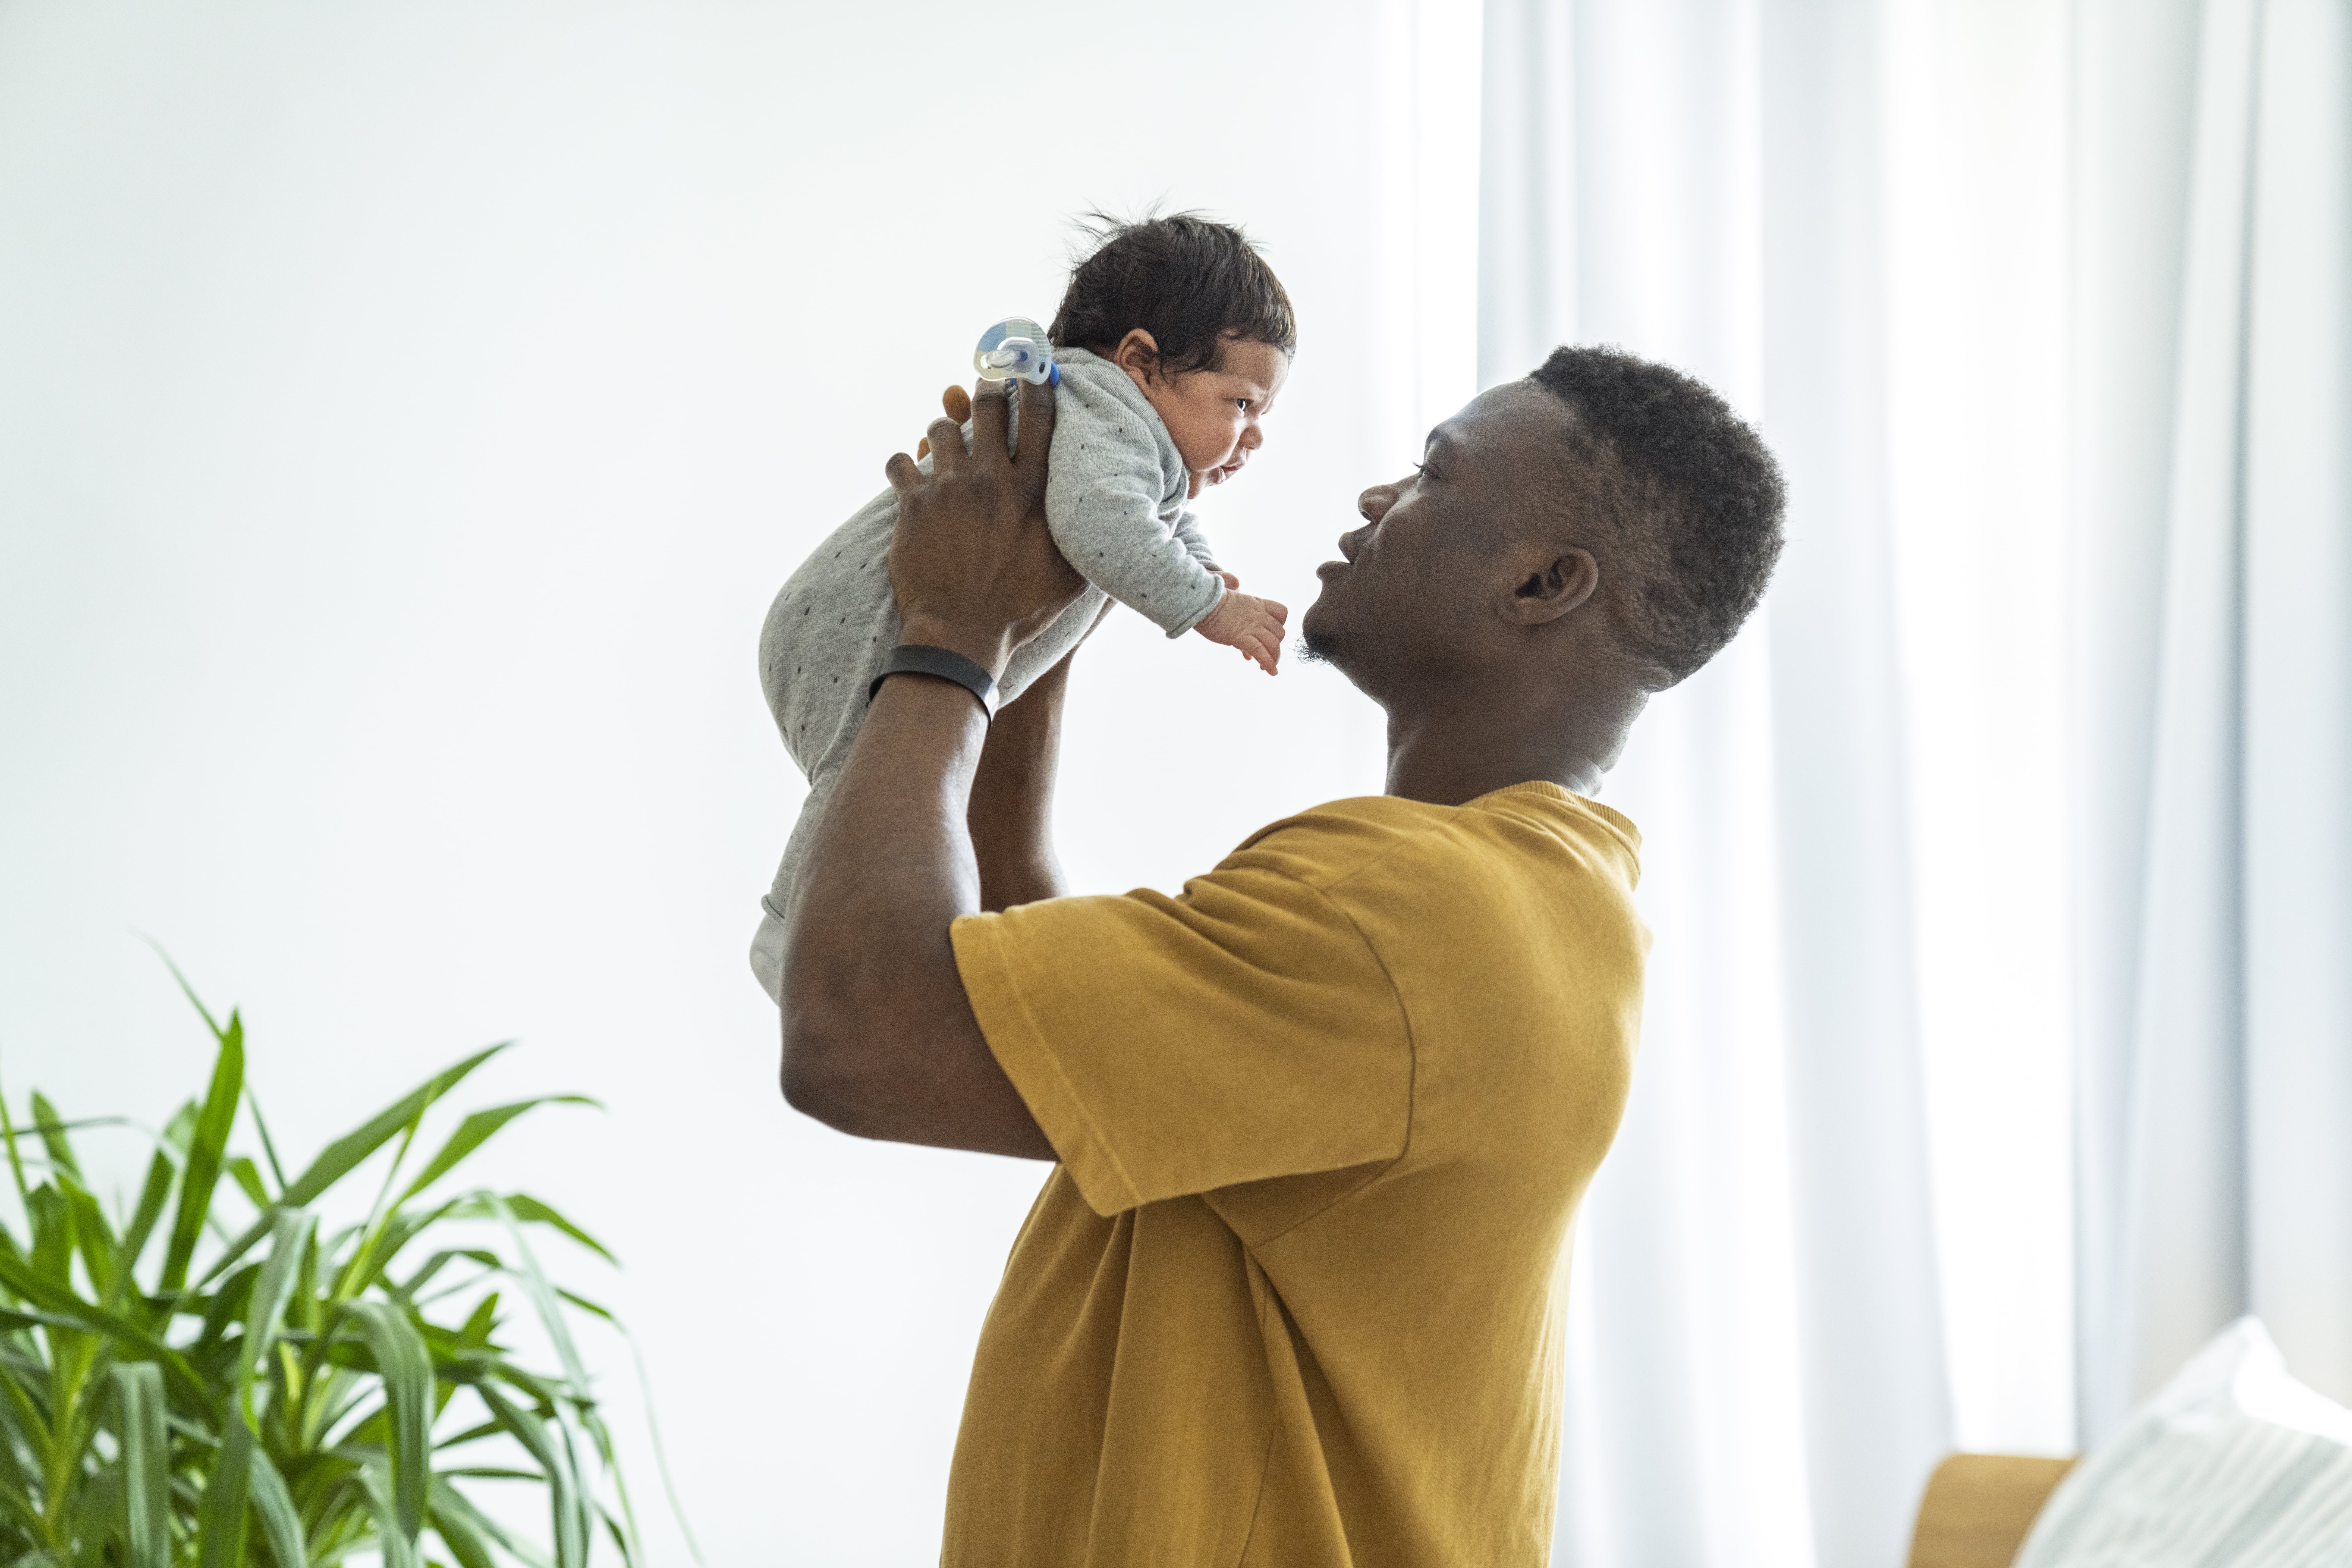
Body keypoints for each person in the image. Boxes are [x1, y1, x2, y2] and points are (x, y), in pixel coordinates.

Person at [775, 344, 1786, 1566]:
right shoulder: (1538, 900)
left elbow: (863, 1034)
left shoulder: (1409, 915)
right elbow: (1026, 986)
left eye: (1430, 475)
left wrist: (948, 632)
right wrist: (1052, 609)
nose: (1376, 499)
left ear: (1540, 582)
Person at [749, 214, 1295, 997]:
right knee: (859, 778)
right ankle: (790, 934)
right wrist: (1209, 608)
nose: (1253, 437)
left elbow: (1159, 518)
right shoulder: (1101, 412)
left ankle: (835, 932)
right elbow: (1103, 524)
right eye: (1241, 404)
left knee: (885, 786)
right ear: (1140, 362)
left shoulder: (1124, 430)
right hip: (860, 622)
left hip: (869, 627)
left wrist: (1200, 565)